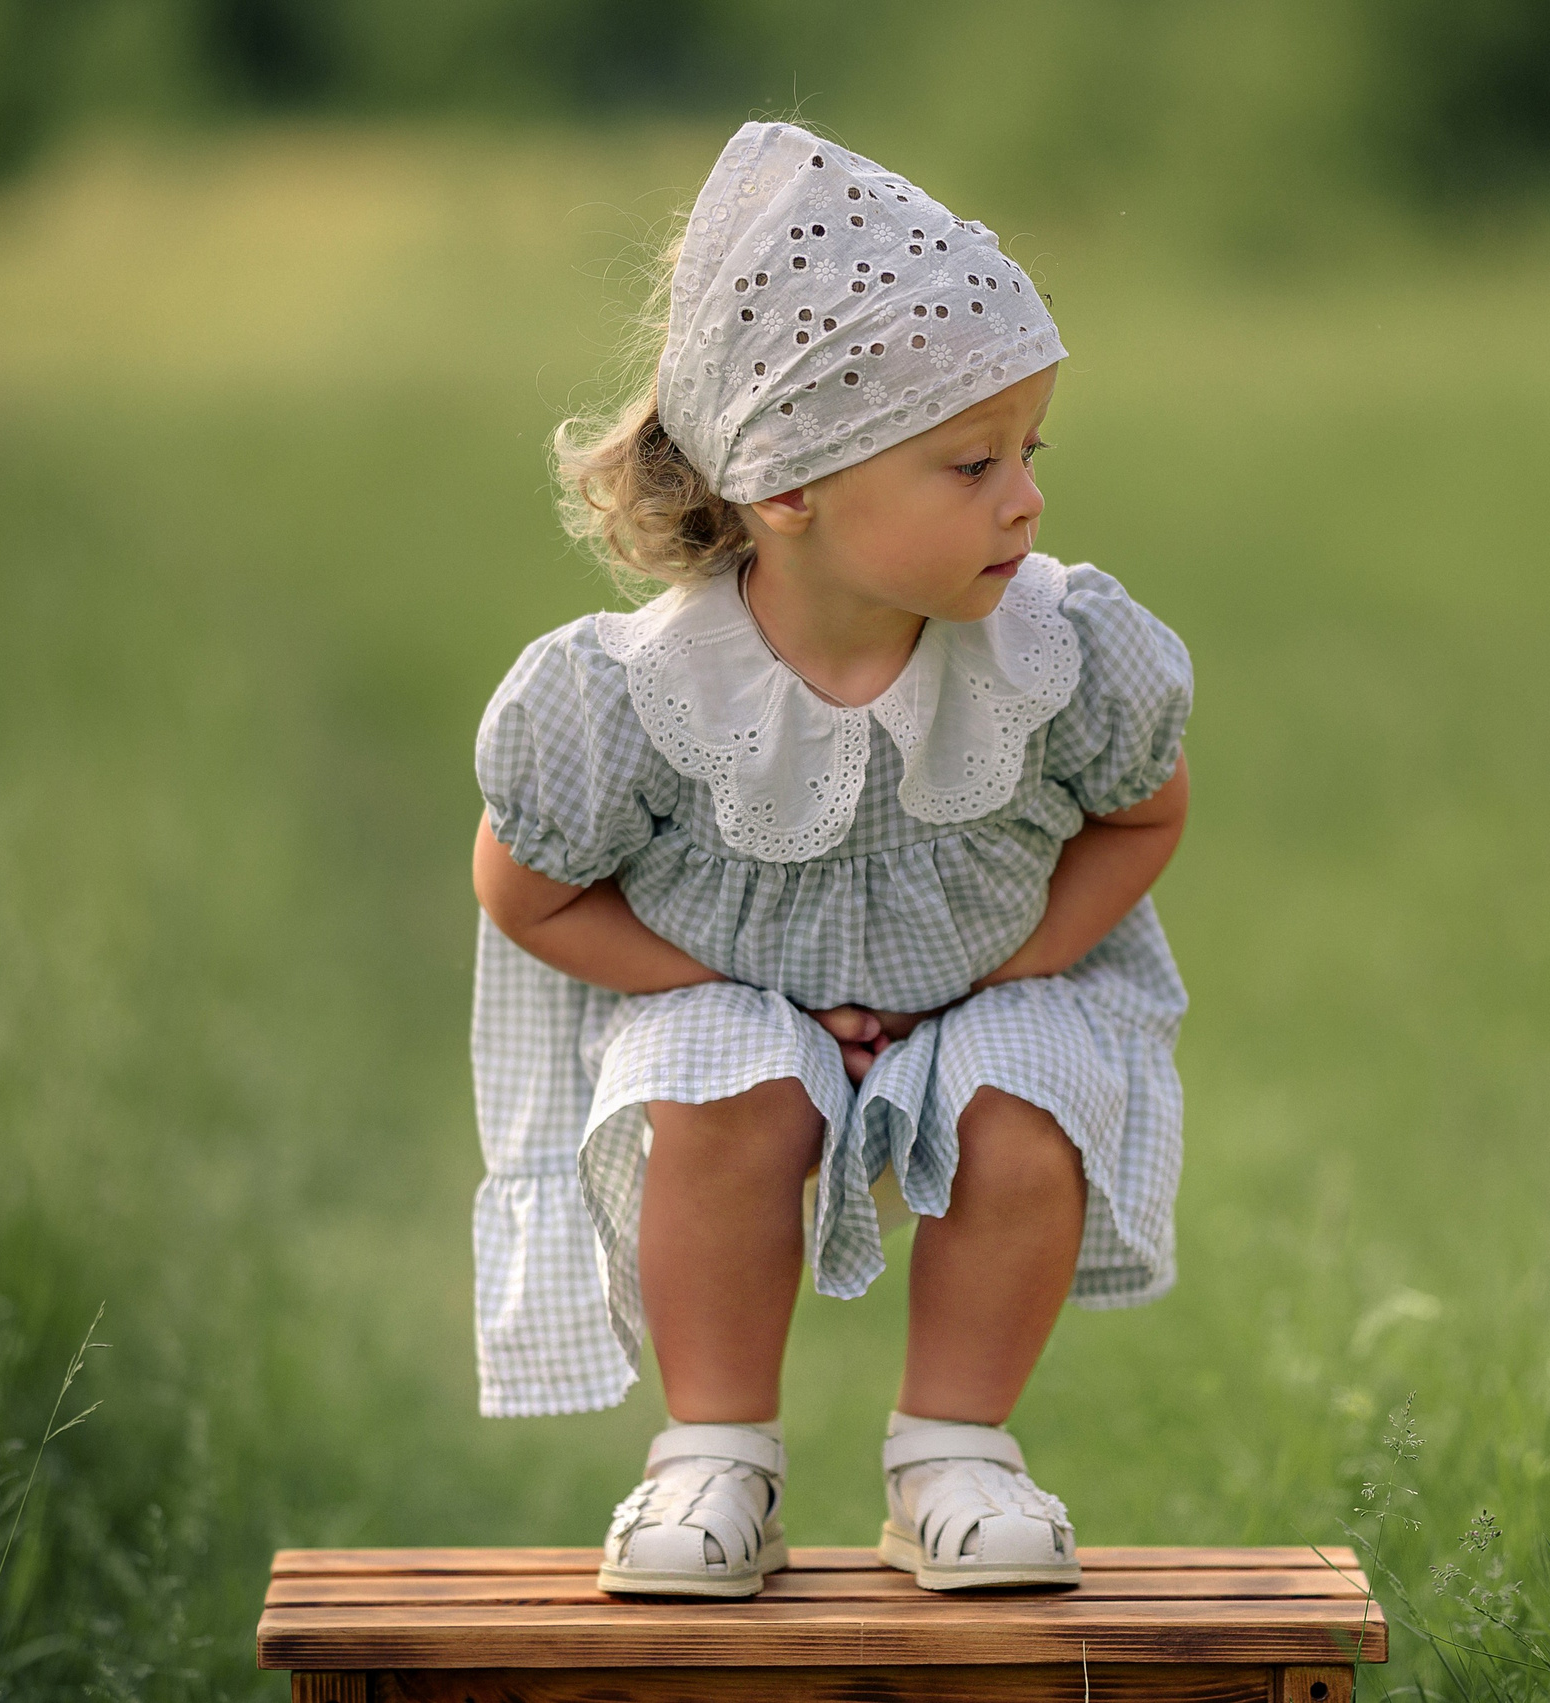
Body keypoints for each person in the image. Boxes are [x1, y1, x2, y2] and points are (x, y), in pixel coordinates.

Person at [465, 121, 1193, 1598]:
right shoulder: (641, 696)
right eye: (971, 463)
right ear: (789, 489)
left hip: (983, 986)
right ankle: (714, 1457)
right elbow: (522, 888)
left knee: (1024, 1094)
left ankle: (955, 1457)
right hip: (729, 993)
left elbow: (1146, 813)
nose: (1028, 499)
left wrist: (1022, 961)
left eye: (1030, 453)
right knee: (719, 1082)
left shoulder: (1052, 656)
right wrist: (730, 978)